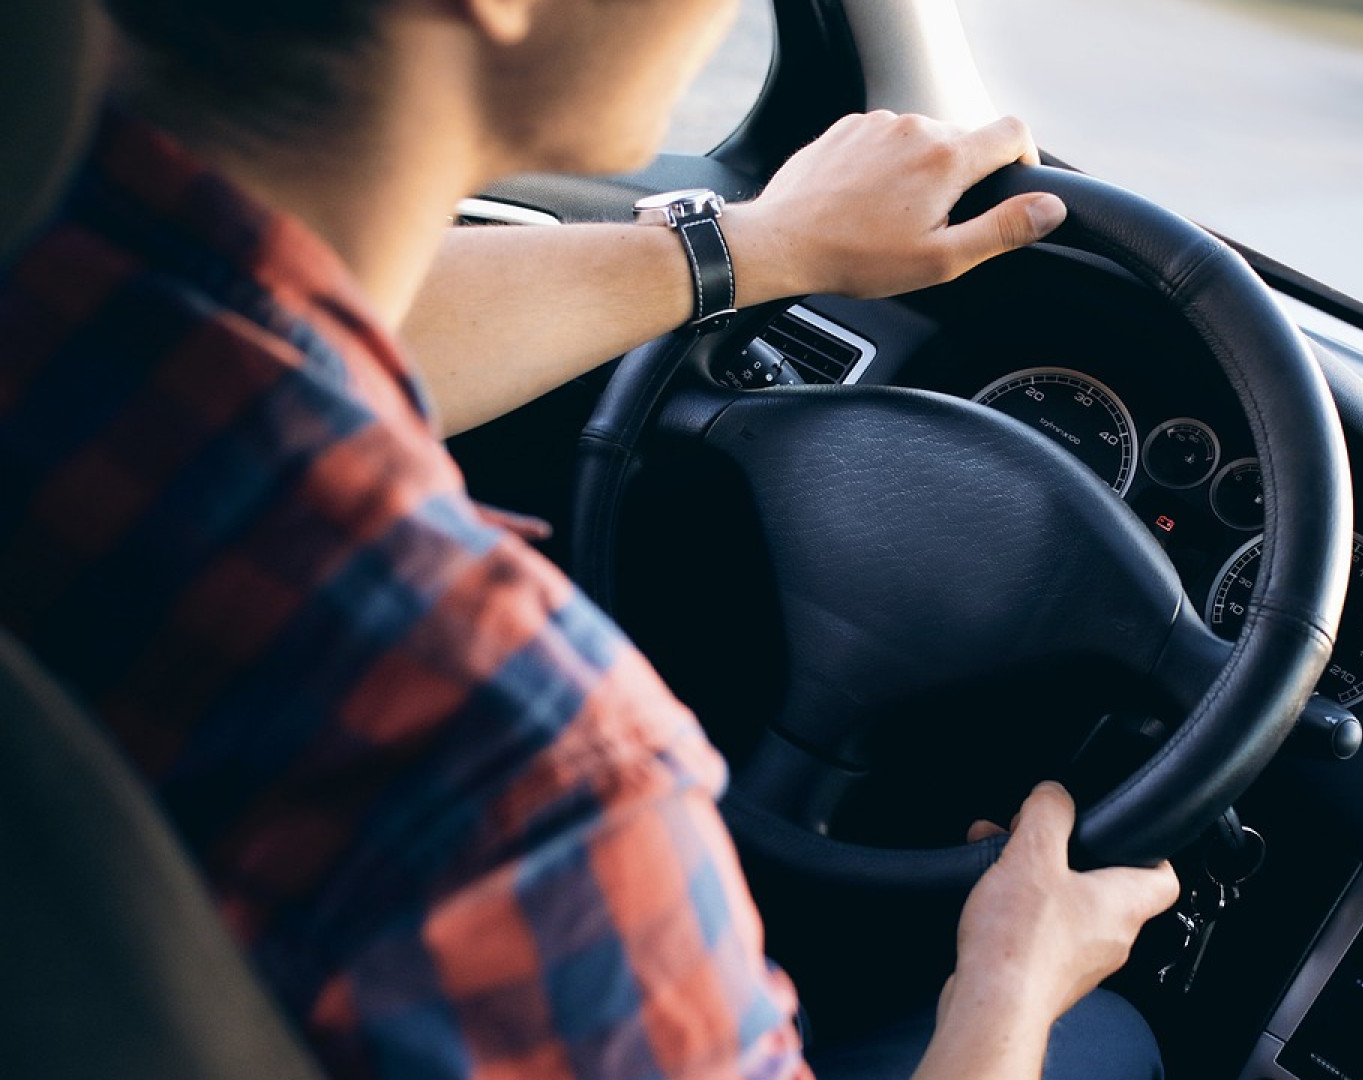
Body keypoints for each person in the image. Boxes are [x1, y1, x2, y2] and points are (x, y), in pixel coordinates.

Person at [0, 1, 1181, 1079]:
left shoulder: (56, 265)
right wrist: (1011, 983)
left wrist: (756, 245)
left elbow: (311, 329)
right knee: (1099, 1041)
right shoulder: (522, 776)